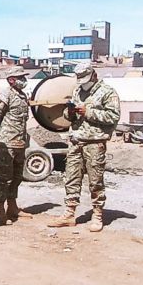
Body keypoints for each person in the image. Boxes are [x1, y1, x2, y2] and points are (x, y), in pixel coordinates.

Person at [49, 63, 120, 232]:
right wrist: (70, 112)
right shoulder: (77, 91)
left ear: (94, 75)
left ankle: (97, 214)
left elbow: (113, 116)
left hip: (94, 142)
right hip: (76, 140)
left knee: (95, 180)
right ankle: (69, 213)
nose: (83, 83)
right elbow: (68, 116)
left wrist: (87, 112)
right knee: (71, 178)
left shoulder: (107, 92)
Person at [0, 66, 30, 225]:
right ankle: (0, 210)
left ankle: (13, 206)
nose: (23, 80)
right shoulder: (5, 95)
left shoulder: (22, 96)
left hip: (20, 143)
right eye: (20, 77)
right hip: (7, 143)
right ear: (11, 80)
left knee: (17, 177)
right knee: (3, 178)